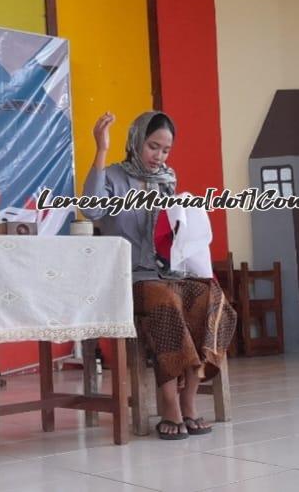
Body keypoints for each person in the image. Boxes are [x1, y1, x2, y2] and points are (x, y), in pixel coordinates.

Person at [82, 111, 238, 438]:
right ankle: (169, 402)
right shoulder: (112, 176)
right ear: (137, 141)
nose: (159, 156)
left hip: (169, 272)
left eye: (166, 150)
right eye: (153, 147)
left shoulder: (168, 179)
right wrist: (101, 150)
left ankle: (189, 398)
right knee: (165, 300)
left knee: (213, 298)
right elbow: (92, 209)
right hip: (132, 278)